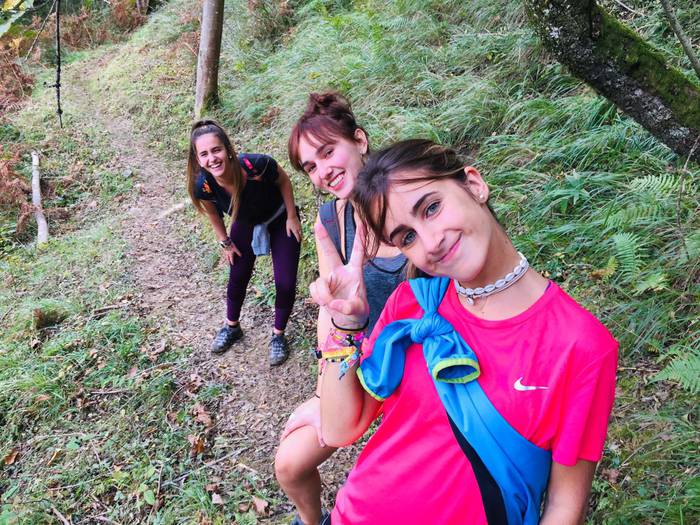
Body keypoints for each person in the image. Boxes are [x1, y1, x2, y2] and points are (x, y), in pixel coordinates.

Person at [310, 139, 619, 524]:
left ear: (474, 185)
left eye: (432, 208)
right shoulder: (412, 303)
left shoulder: (581, 345)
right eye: (407, 237)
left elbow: (564, 505)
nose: (431, 242)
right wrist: (346, 324)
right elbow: (339, 428)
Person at [274, 93, 406, 525]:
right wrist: (323, 394)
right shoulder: (332, 221)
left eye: (329, 152)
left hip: (419, 376)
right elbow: (330, 314)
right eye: (310, 166)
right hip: (361, 363)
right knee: (290, 465)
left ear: (360, 141)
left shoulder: (411, 206)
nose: (322, 171)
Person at [186, 120, 302, 366]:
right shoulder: (203, 185)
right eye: (204, 154)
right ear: (197, 159)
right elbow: (213, 213)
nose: (212, 158)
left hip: (281, 218)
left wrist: (292, 216)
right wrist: (225, 241)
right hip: (245, 222)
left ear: (228, 149)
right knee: (238, 274)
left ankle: (278, 335)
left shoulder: (256, 165)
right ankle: (232, 326)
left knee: (285, 281)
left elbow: (283, 181)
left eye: (216, 150)